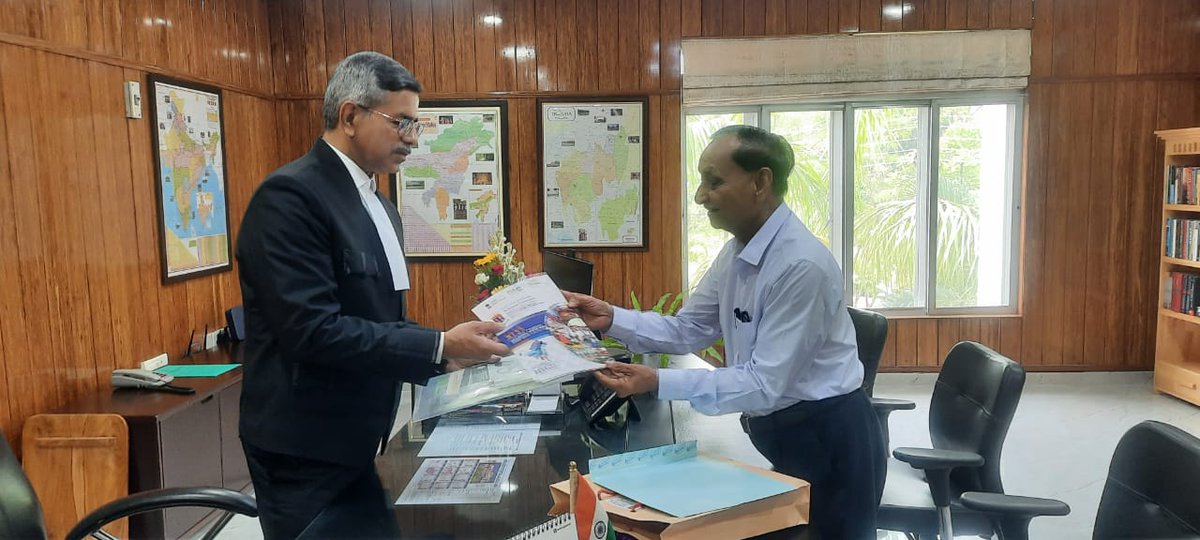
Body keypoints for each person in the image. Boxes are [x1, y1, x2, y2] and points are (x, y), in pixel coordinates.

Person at [235, 51, 510, 539]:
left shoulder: (379, 203)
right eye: (400, 122)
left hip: (360, 437)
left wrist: (450, 351)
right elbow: (313, 332)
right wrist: (440, 346)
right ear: (349, 116)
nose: (412, 138)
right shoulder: (290, 198)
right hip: (304, 447)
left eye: (417, 125)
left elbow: (381, 318)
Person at [565, 125, 886, 540]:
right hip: (783, 433)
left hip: (829, 440)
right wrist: (610, 318)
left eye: (714, 182)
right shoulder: (737, 250)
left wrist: (658, 381)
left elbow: (763, 382)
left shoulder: (800, 265)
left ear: (761, 182)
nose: (700, 196)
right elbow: (690, 328)